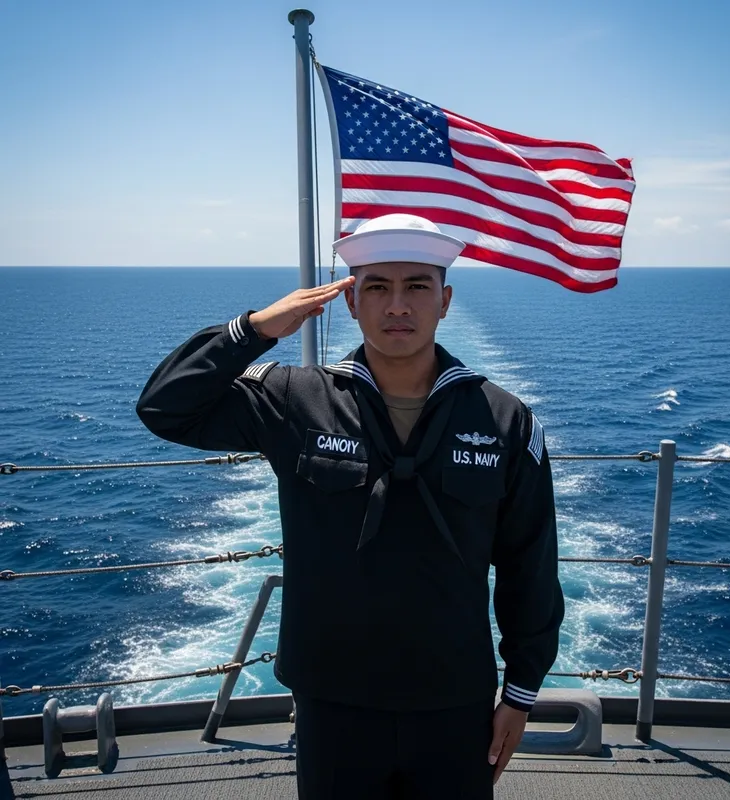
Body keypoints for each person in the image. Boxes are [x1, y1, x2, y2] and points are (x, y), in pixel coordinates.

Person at [136, 213, 564, 799]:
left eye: (417, 286)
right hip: (332, 700)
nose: (397, 306)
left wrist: (520, 693)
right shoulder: (294, 401)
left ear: (446, 301)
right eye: (377, 288)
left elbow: (529, 564)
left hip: (454, 700)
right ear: (350, 301)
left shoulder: (503, 420)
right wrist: (256, 328)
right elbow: (165, 408)